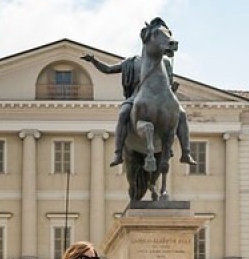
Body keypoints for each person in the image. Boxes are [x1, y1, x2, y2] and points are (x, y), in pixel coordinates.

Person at [81, 17, 195, 168]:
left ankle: (186, 153)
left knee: (181, 113)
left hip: (163, 97)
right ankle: (118, 153)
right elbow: (109, 70)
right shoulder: (132, 62)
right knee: (123, 114)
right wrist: (94, 61)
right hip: (137, 95)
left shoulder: (166, 63)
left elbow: (167, 82)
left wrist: (172, 88)